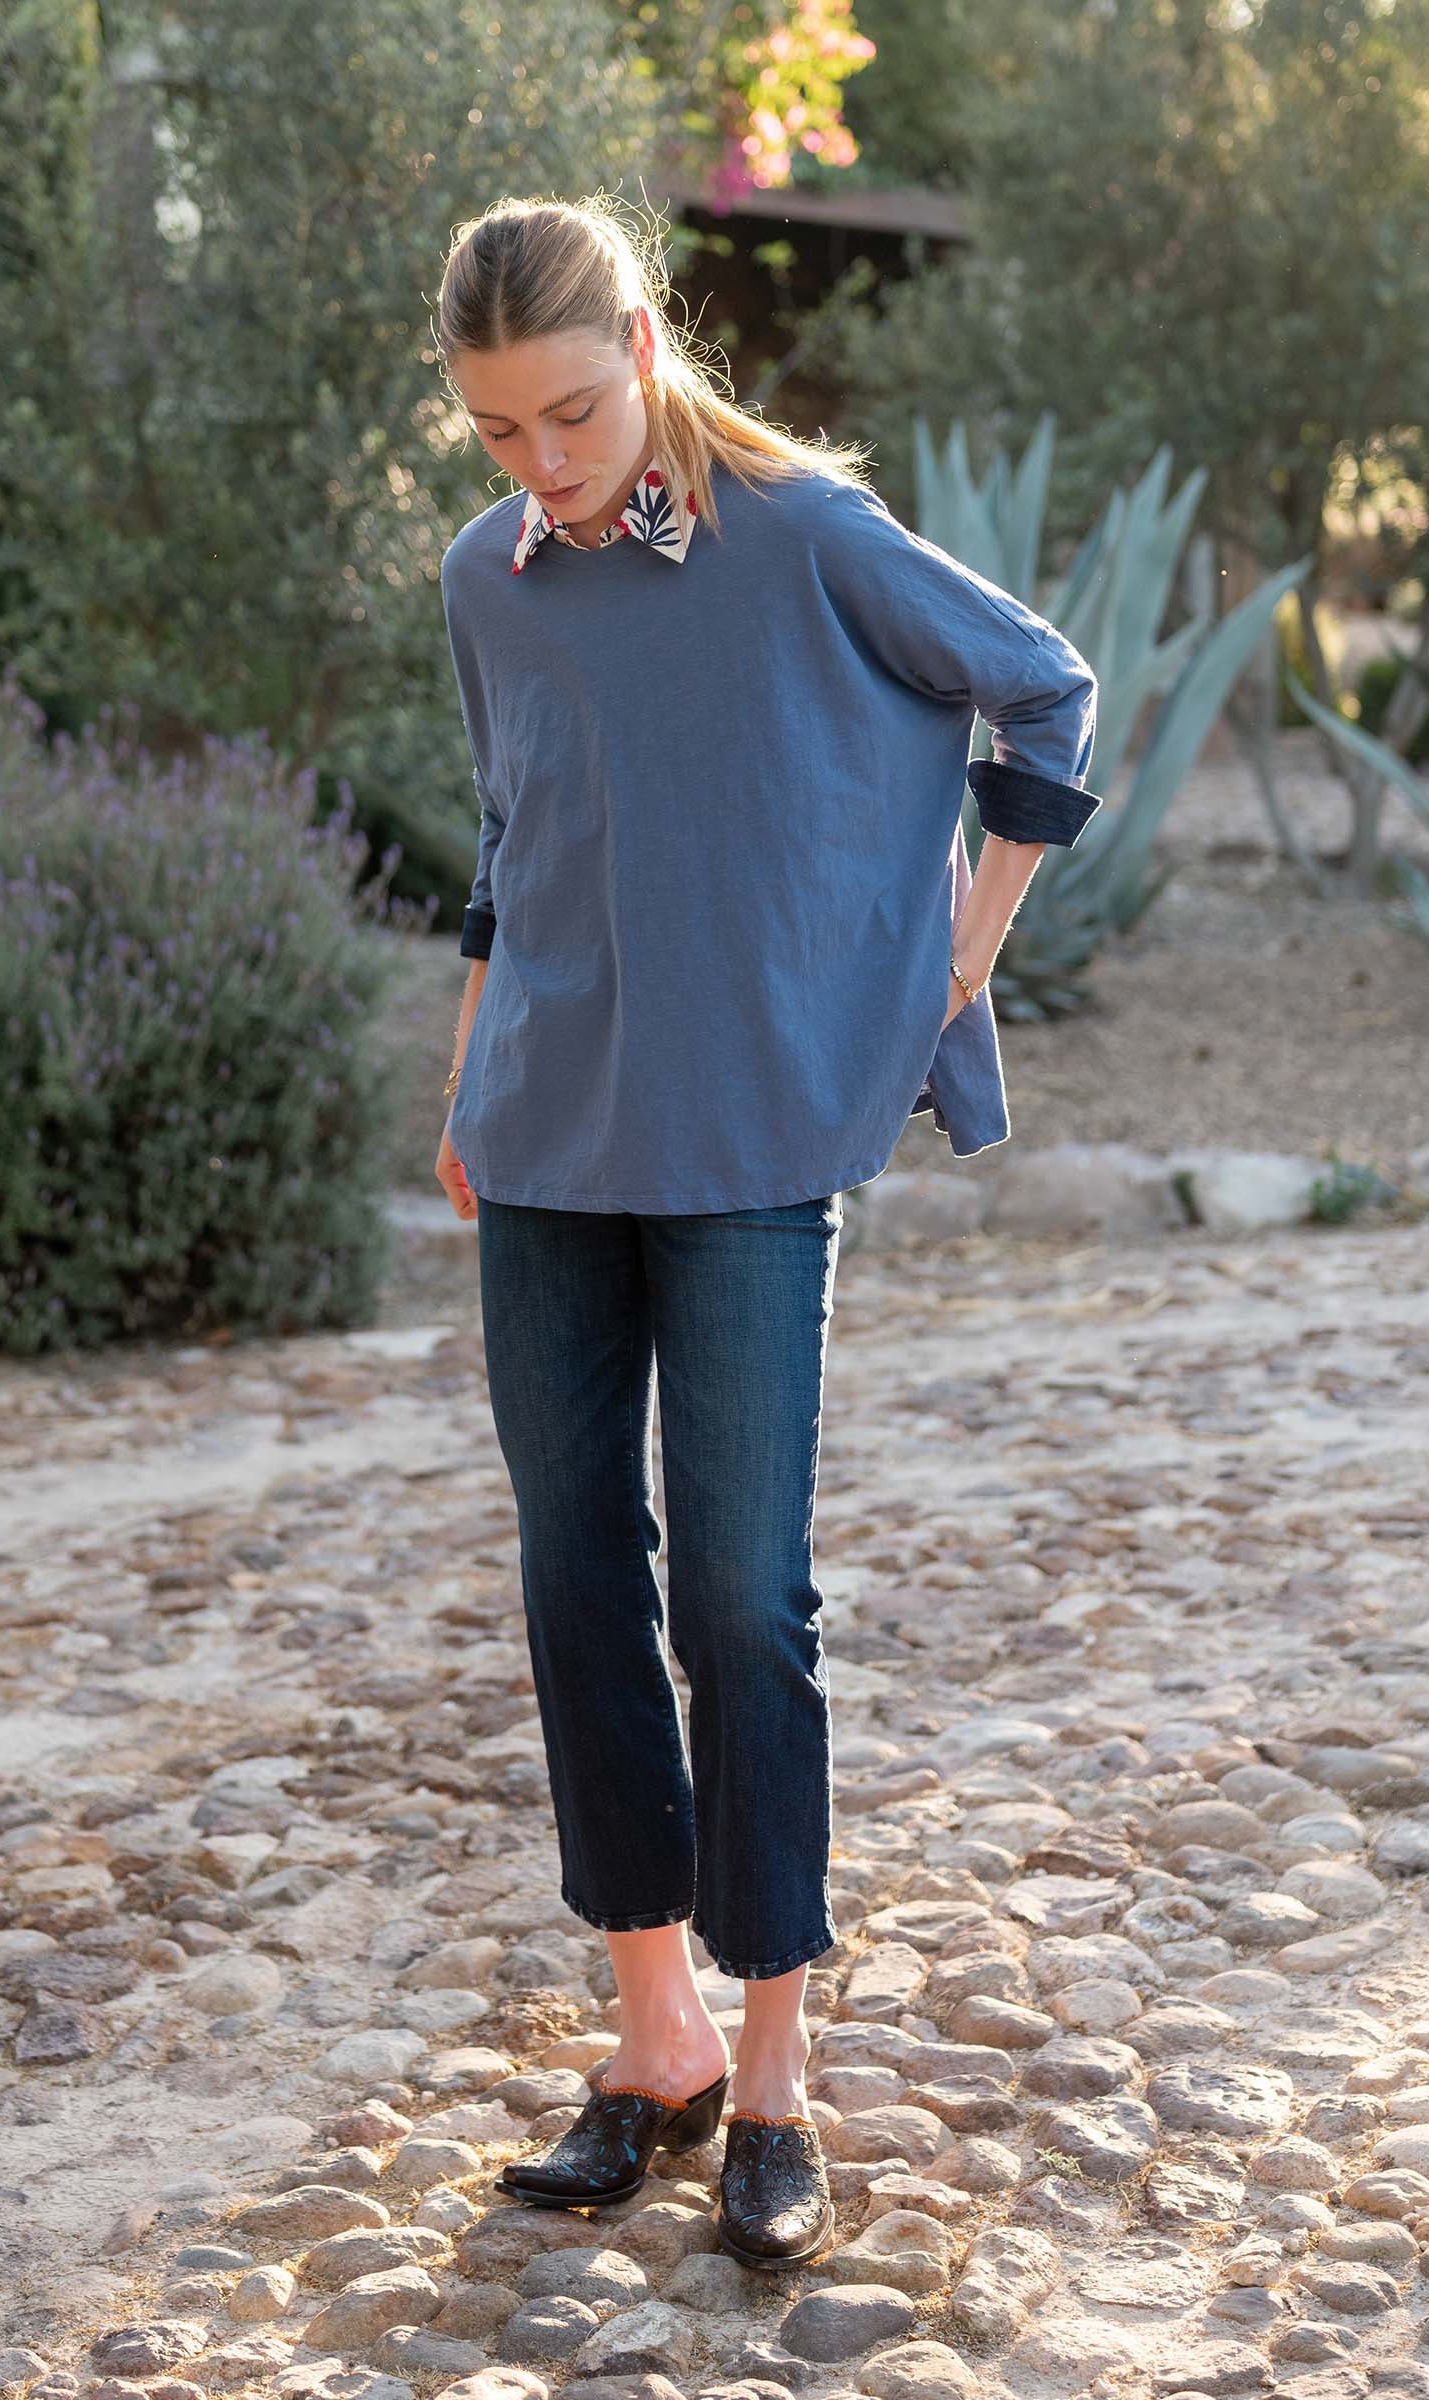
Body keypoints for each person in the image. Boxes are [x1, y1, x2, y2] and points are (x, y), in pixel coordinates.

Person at [425, 192, 1101, 2270]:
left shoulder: (804, 537)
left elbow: (1041, 696)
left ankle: (782, 2069)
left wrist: (951, 965)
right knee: (570, 1583)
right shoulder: (490, 581)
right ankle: (654, 2045)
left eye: (564, 412)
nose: (539, 465)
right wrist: (464, 1075)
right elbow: (510, 837)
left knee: (738, 1598)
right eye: (494, 436)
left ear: (643, 336)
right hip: (540, 1133)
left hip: (741, 1148)